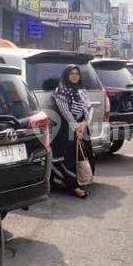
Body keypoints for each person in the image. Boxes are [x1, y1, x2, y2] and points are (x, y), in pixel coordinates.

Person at [51, 65, 95, 199]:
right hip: (68, 129)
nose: (75, 76)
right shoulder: (61, 91)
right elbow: (65, 112)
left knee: (84, 154)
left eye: (77, 73)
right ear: (66, 75)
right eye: (71, 73)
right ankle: (73, 186)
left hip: (82, 126)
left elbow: (89, 107)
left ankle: (83, 178)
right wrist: (76, 127)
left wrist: (84, 123)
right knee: (70, 157)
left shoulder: (81, 90)